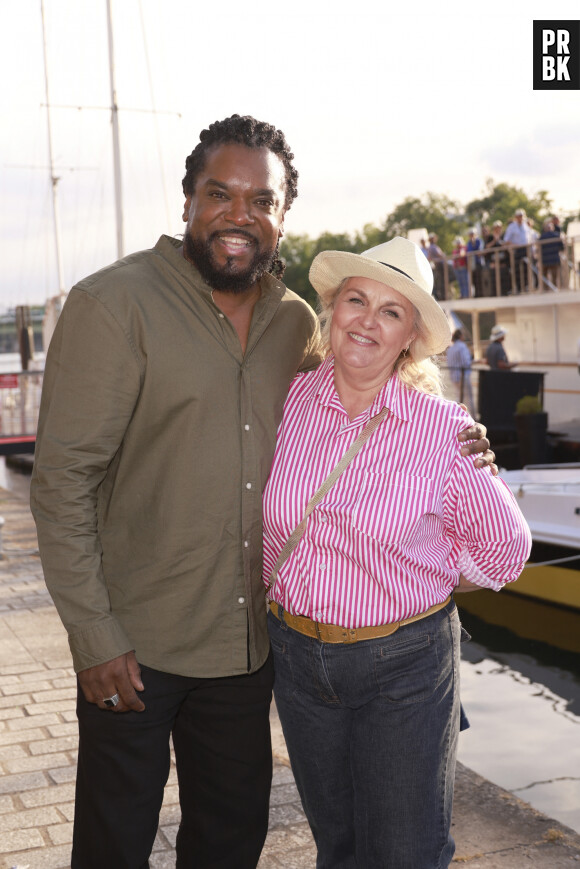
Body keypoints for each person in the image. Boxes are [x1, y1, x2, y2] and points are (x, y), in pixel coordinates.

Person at [30, 115, 494, 869]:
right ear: (188, 201)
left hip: (248, 650)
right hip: (133, 646)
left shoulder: (295, 322)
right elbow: (61, 483)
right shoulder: (114, 304)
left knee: (229, 840)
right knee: (112, 846)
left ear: (282, 216)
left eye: (261, 200)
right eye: (221, 194)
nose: (238, 215)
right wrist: (94, 635)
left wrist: (458, 435)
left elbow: (365, 385)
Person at [263, 237, 531, 868]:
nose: (367, 320)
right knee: (340, 846)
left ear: (410, 335)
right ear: (332, 310)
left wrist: (430, 569)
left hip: (404, 663)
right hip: (297, 658)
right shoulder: (288, 401)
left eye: (391, 311)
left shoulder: (444, 432)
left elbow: (507, 551)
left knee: (407, 852)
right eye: (357, 300)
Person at [503, 208, 532, 293]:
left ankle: (526, 286)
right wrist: (514, 245)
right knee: (517, 270)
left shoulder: (526, 226)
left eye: (521, 216)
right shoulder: (511, 227)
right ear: (516, 217)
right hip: (517, 250)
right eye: (519, 216)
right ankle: (518, 287)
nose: (520, 218)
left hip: (526, 249)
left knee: (526, 268)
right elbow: (506, 240)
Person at [447, 328, 474, 414]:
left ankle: (457, 416)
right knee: (468, 399)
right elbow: (466, 362)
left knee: (458, 397)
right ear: (460, 336)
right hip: (463, 376)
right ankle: (474, 418)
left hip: (454, 377)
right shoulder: (462, 346)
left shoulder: (450, 349)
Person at [539, 219, 565, 290]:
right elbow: (562, 247)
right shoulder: (557, 235)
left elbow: (539, 248)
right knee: (554, 276)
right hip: (554, 259)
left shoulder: (542, 237)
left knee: (545, 276)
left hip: (545, 259)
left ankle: (546, 290)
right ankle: (555, 289)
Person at [426, 232, 445, 300]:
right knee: (441, 281)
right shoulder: (432, 247)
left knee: (439, 281)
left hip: (437, 266)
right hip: (439, 265)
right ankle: (442, 296)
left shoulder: (431, 247)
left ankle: (440, 296)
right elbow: (440, 255)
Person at [466, 227, 483, 296]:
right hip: (472, 265)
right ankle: (476, 294)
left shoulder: (479, 241)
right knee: (474, 280)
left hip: (478, 263)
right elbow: (469, 252)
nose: (472, 235)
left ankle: (481, 293)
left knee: (480, 279)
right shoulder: (469, 243)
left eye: (472, 234)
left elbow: (479, 251)